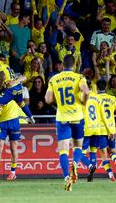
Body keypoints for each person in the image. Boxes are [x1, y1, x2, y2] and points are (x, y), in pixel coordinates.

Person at [45, 55, 89, 191]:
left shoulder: (54, 79)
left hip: (62, 117)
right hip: (77, 117)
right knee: (78, 148)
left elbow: (47, 99)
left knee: (63, 150)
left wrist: (57, 101)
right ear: (74, 65)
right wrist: (83, 102)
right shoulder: (79, 77)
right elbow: (86, 91)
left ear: (62, 65)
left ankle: (66, 177)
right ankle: (75, 164)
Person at [0, 53, 34, 123]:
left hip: (11, 88)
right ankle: (31, 118)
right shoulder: (4, 65)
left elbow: (2, 77)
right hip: (18, 87)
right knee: (21, 103)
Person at [81, 80, 114, 182]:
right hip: (97, 129)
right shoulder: (97, 98)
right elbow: (103, 116)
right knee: (93, 151)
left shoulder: (81, 97)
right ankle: (91, 172)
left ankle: (90, 165)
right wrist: (109, 130)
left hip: (87, 128)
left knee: (80, 153)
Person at [98, 79, 116, 177]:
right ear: (106, 87)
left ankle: (110, 174)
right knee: (112, 149)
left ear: (97, 88)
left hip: (100, 129)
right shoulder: (112, 98)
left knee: (103, 154)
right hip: (111, 129)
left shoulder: (94, 99)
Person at [0, 99, 22, 181]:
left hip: (14, 121)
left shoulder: (15, 92)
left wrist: (29, 115)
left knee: (13, 148)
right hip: (2, 122)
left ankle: (13, 173)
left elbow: (23, 103)